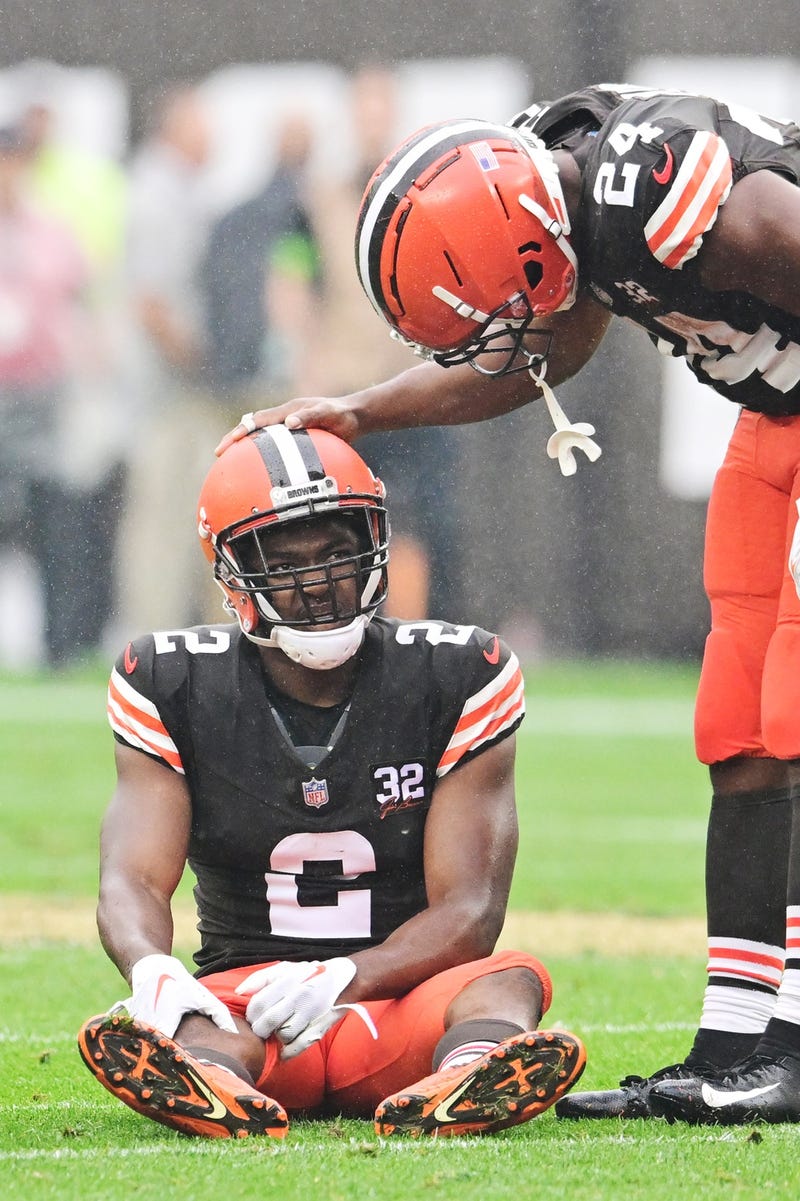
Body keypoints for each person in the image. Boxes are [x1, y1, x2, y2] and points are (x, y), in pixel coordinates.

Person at [216, 83, 800, 1125]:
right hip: (774, 419)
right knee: (743, 727)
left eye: (498, 309)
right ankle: (734, 1046)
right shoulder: (553, 181)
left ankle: (796, 1045)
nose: (502, 337)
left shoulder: (658, 184)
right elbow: (554, 341)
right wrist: (360, 409)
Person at [76, 425, 585, 1139]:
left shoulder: (459, 671)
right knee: (197, 1017)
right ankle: (208, 1080)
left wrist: (348, 974)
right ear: (231, 573)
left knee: (508, 978)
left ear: (374, 541)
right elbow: (131, 877)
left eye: (337, 553)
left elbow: (470, 910)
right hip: (249, 999)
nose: (316, 582)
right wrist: (153, 969)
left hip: (396, 997)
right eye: (283, 563)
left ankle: (467, 1073)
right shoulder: (169, 679)